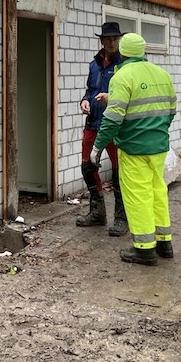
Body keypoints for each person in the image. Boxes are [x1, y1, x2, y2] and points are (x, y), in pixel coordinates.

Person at [90, 33, 177, 266]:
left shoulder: (122, 76)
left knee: (138, 196)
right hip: (158, 147)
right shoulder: (162, 75)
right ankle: (163, 242)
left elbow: (112, 120)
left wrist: (97, 147)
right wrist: (155, 132)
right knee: (157, 191)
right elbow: (170, 112)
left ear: (124, 52)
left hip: (133, 148)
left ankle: (144, 249)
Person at [76, 21, 129, 237]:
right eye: (108, 39)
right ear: (101, 41)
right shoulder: (94, 64)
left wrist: (111, 99)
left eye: (115, 39)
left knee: (119, 173)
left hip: (114, 126)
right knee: (87, 167)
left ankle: (121, 218)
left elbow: (129, 96)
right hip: (93, 124)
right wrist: (84, 101)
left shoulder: (125, 65)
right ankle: (97, 213)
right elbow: (90, 90)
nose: (112, 42)